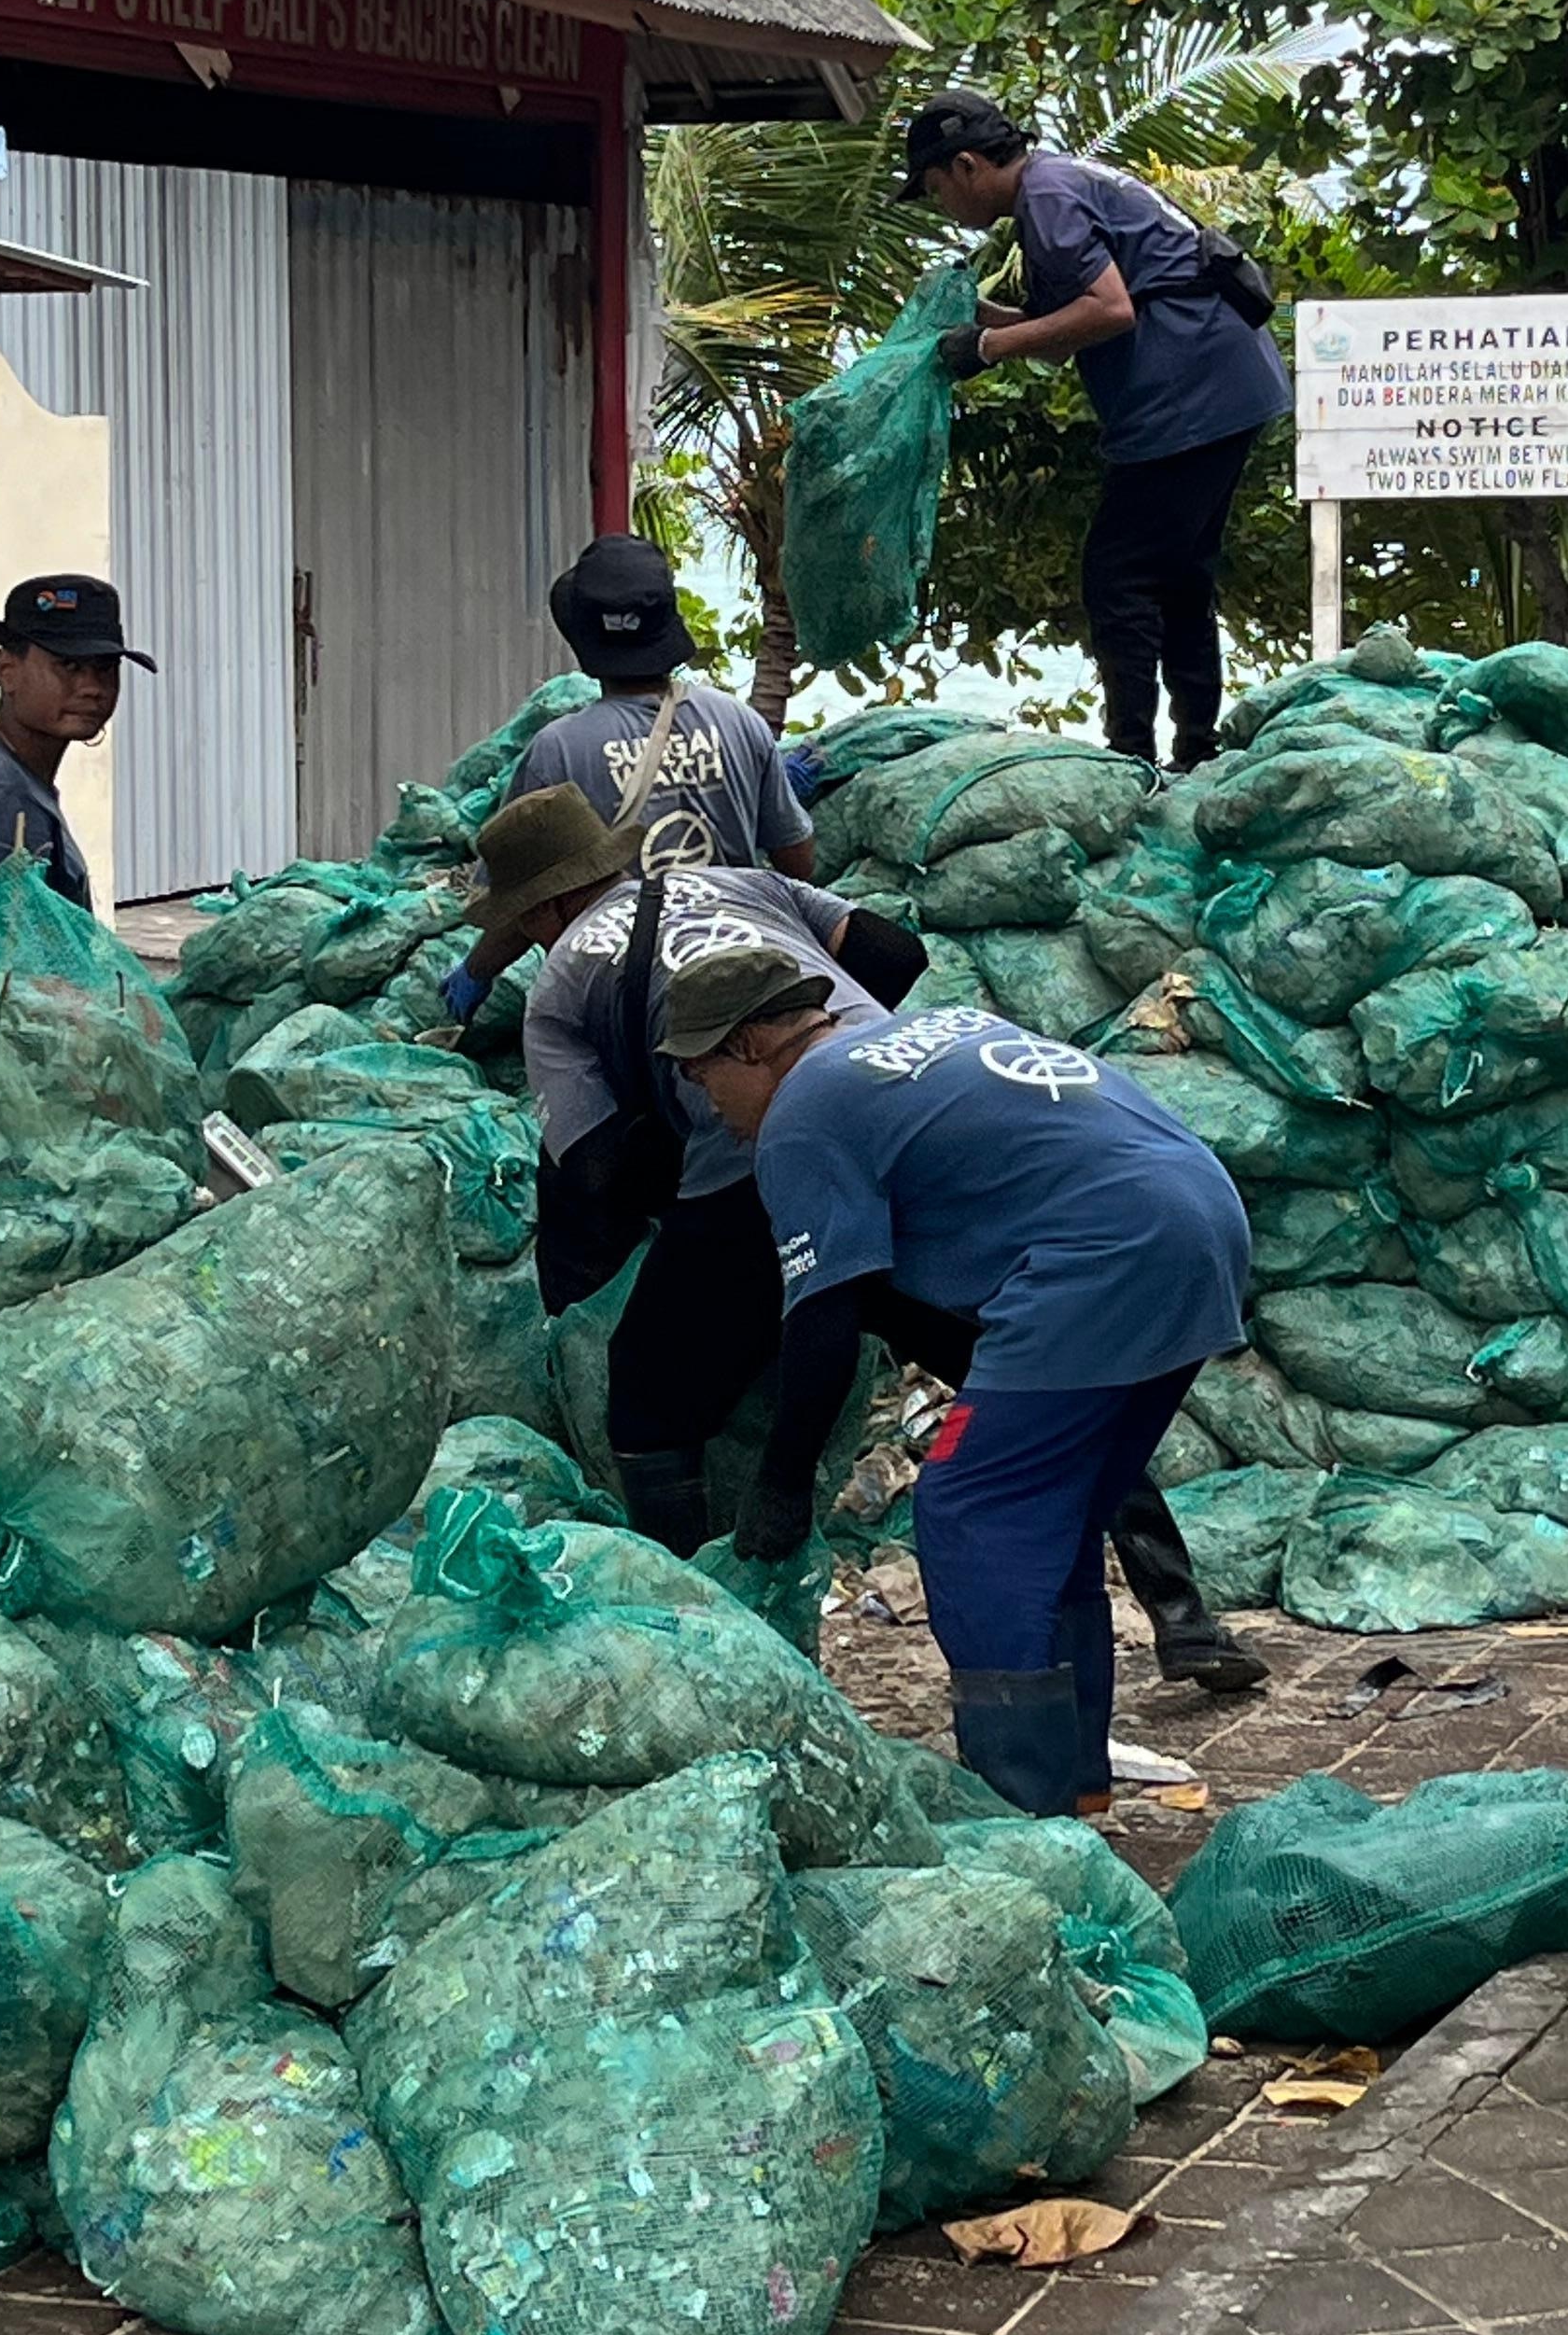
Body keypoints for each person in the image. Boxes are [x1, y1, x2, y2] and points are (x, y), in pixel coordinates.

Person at [662, 942, 1255, 1814]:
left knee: (972, 1510)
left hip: (1103, 1255)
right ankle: (1077, 1789)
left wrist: (781, 1486)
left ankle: (1023, 1805)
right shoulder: (930, 1032)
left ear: (750, 1046)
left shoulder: (804, 1110)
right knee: (1054, 1518)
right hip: (1200, 1219)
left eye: (705, 1080)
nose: (713, 1110)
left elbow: (824, 1316)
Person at [475, 781, 924, 1551]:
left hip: (760, 1145)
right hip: (905, 1089)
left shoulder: (559, 982)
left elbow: (594, 1167)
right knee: (965, 1338)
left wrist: (703, 1123)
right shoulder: (742, 882)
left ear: (544, 910)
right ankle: (1170, 1596)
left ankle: (688, 1594)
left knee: (646, 1398)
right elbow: (895, 951)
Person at [902, 86, 1289, 772]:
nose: (944, 207)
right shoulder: (1062, 181)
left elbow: (1109, 311)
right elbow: (1062, 336)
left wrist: (987, 351)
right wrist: (975, 314)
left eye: (936, 189)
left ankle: (1131, 755)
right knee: (1179, 575)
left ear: (967, 166)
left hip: (1189, 393)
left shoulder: (1046, 202)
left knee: (1118, 574)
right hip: (1228, 381)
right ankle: (1196, 748)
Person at [519, 533, 815, 878]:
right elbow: (798, 863)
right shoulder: (741, 722)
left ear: (582, 636)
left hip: (619, 932)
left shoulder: (556, 752)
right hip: (738, 928)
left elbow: (518, 897)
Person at [0, 572, 152, 943]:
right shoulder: (0, 789)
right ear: (6, 671)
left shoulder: (7, 772)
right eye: (69, 666)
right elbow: (4, 965)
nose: (92, 687)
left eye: (105, 668)